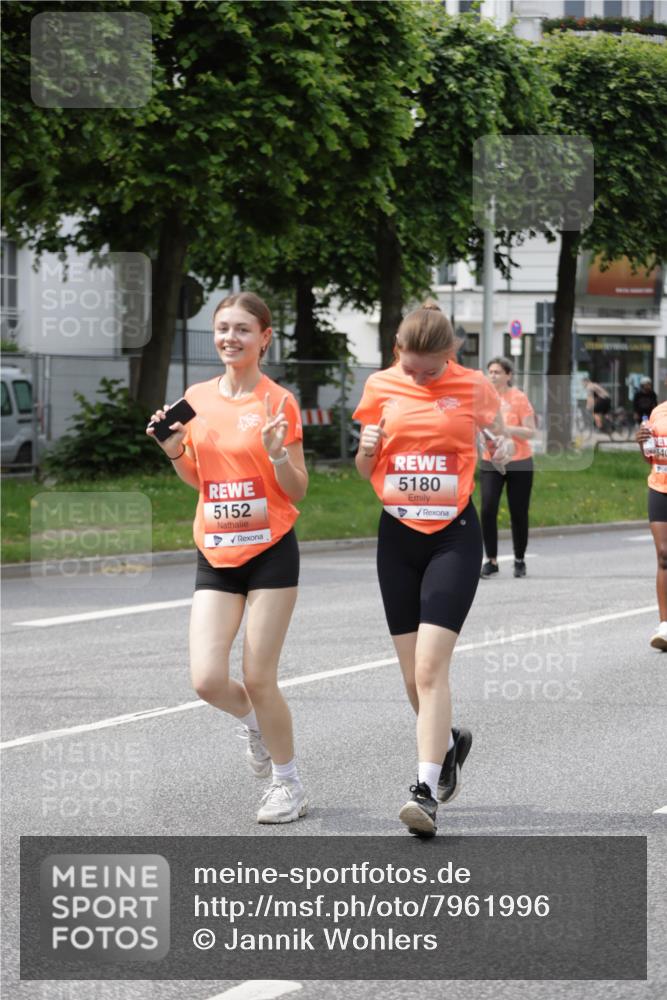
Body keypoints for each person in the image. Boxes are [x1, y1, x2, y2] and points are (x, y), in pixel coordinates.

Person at [147, 292, 310, 822]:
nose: (229, 339)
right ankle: (257, 727)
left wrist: (277, 452)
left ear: (265, 337)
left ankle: (287, 785)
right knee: (207, 679)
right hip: (215, 549)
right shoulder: (195, 399)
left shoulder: (278, 401)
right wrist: (173, 448)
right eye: (222, 328)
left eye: (243, 329)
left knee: (259, 677)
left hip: (270, 551)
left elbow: (297, 490)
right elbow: (199, 476)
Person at [353, 302, 509, 837]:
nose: (416, 377)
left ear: (452, 353)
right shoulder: (380, 387)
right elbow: (364, 468)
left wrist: (501, 445)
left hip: (453, 536)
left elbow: (500, 434)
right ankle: (449, 744)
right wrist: (366, 450)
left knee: (429, 668)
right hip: (396, 535)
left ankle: (424, 791)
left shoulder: (474, 388)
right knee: (410, 677)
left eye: (429, 369)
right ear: (397, 350)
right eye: (408, 366)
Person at [479, 357, 536, 579]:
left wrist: (506, 429)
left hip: (519, 460)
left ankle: (519, 559)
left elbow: (531, 431)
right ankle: (491, 560)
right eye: (490, 372)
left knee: (518, 511)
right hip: (491, 459)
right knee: (488, 507)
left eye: (497, 372)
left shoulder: (518, 398)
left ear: (508, 375)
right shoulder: (483, 399)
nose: (492, 375)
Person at [636, 393, 667, 651]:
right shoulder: (657, 413)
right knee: (664, 555)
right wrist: (641, 442)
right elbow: (651, 456)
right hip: (659, 487)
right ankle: (665, 626)